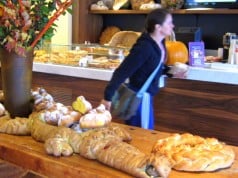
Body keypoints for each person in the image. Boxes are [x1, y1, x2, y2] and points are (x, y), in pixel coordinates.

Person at [100, 8, 187, 130]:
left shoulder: (160, 44)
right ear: (158, 27)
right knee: (141, 134)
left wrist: (170, 72)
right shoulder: (144, 47)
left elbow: (152, 67)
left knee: (144, 132)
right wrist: (107, 97)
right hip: (139, 99)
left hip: (146, 97)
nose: (172, 25)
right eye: (169, 23)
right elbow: (122, 71)